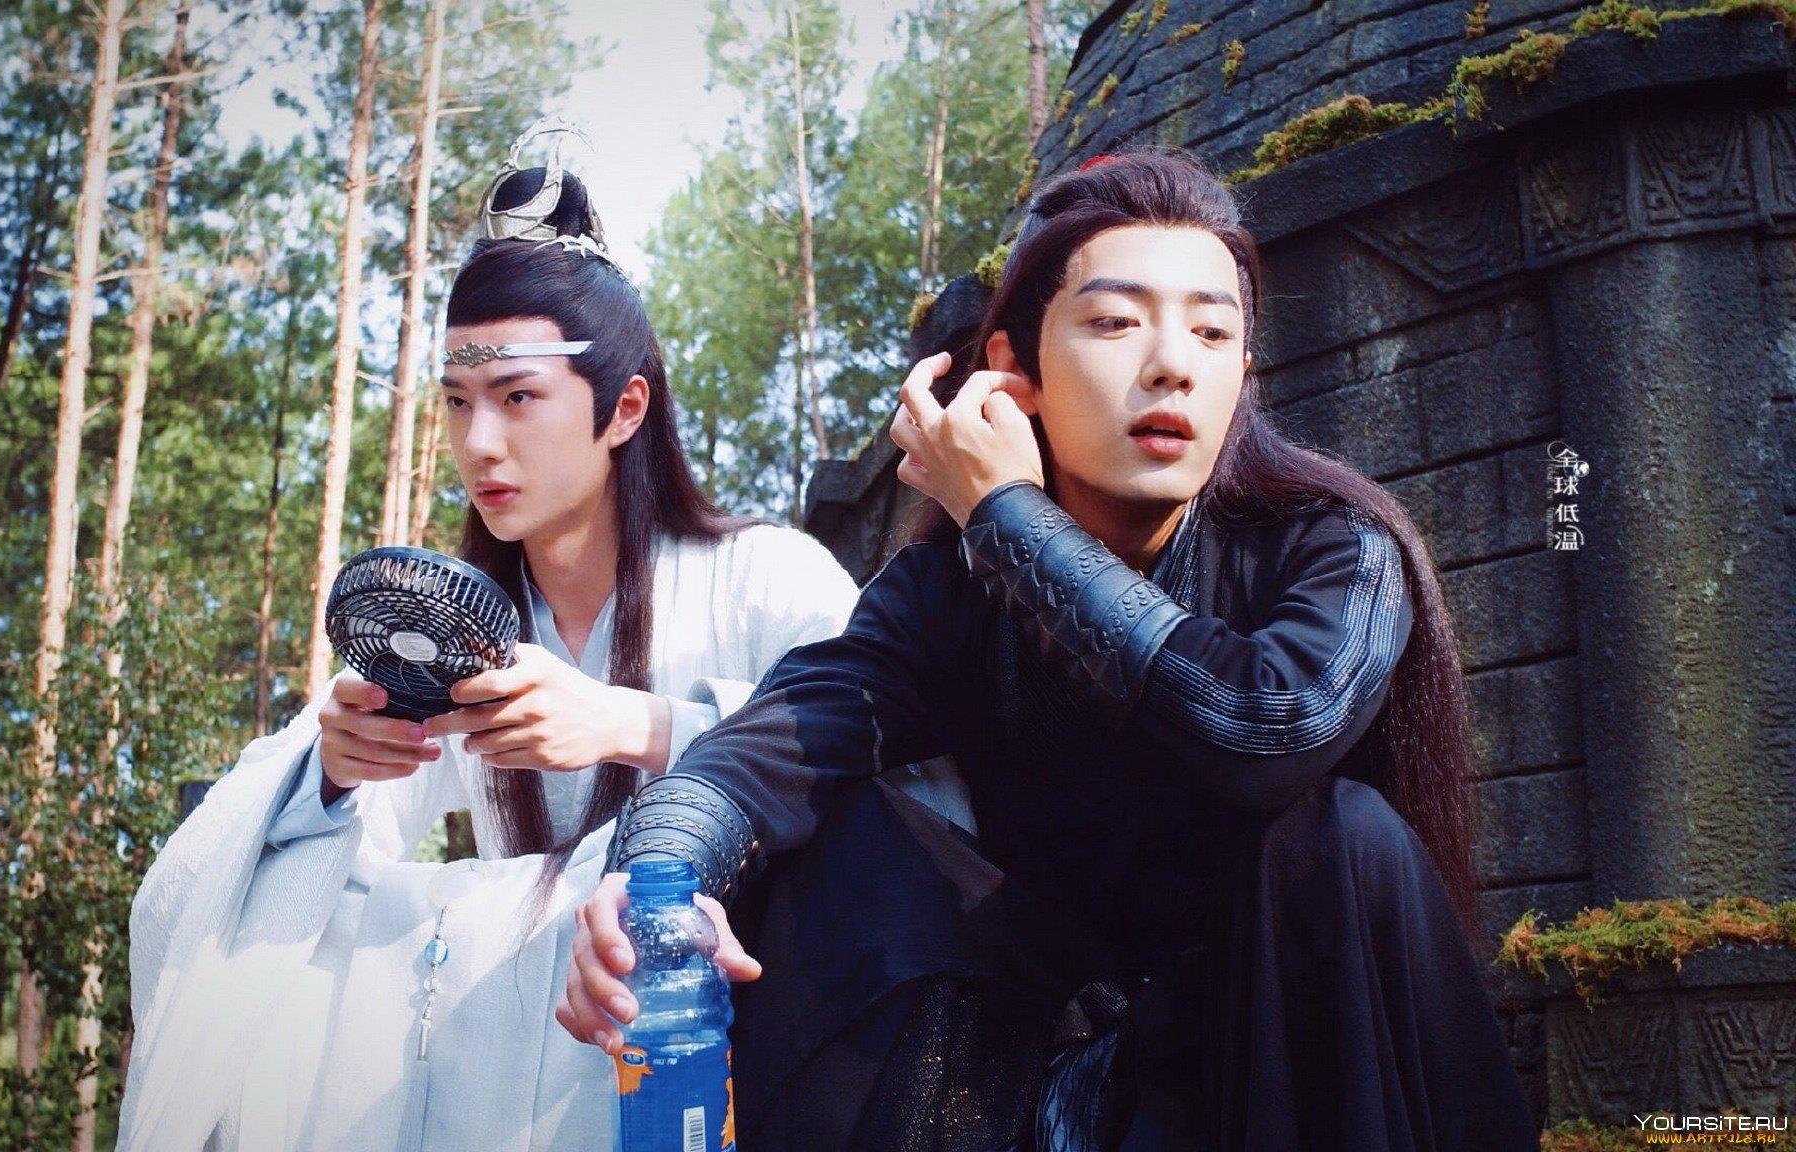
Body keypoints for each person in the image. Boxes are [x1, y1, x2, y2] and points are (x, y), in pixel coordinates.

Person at [558, 146, 1540, 1151]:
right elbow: (773, 745)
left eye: (1212, 332)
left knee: (1338, 834)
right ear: (1013, 372)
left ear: (1242, 375)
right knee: (847, 831)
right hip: (1045, 1076)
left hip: (1283, 1071)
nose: (1173, 364)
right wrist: (655, 880)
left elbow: (1266, 725)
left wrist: (1006, 513)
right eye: (1116, 322)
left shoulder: (1333, 546)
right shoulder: (948, 594)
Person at [118, 126, 933, 1152]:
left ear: (623, 409)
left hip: (724, 1044)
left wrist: (636, 725)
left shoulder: (767, 577)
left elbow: (887, 767)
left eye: (518, 398)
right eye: (458, 402)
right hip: (517, 1065)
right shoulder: (452, 627)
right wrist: (333, 771)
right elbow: (285, 866)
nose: (479, 444)